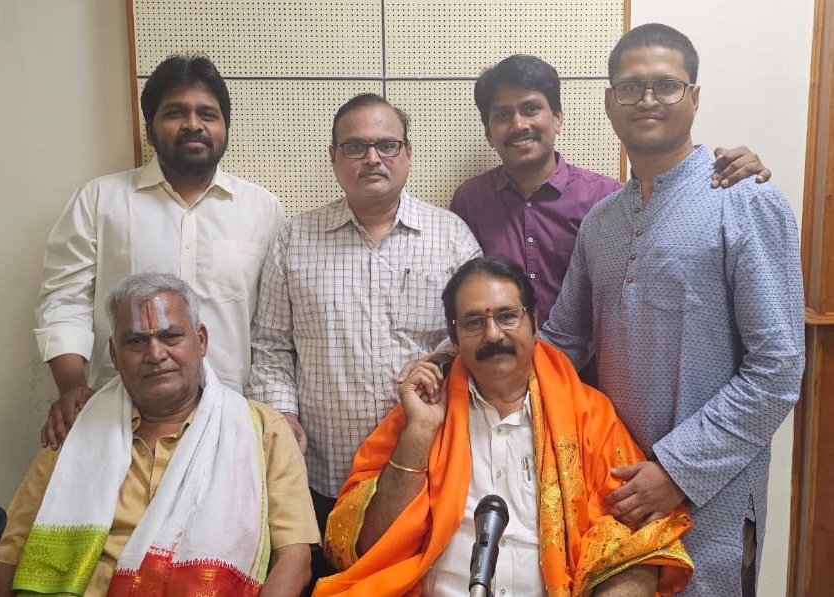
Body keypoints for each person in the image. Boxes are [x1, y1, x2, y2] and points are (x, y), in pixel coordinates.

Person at [541, 24, 804, 596]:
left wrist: (677, 470)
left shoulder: (746, 199)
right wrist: (459, 360)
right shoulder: (602, 221)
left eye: (665, 84)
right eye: (630, 87)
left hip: (711, 494)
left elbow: (778, 369)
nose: (647, 99)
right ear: (610, 103)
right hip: (618, 487)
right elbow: (561, 341)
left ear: (695, 96)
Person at [315, 257, 694, 596]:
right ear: (454, 336)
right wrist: (418, 435)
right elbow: (364, 547)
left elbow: (643, 544)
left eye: (507, 316)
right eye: (474, 322)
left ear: (533, 319)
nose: (493, 334)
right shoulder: (422, 412)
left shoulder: (589, 417)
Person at [249, 93, 481, 573]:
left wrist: (436, 365)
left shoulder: (452, 236)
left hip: (426, 466)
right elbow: (270, 345)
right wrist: (282, 415)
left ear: (408, 153)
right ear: (334, 158)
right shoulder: (294, 239)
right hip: (323, 473)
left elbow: (476, 338)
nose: (372, 158)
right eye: (354, 147)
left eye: (387, 145)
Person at [0, 273, 319, 596]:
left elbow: (295, 558)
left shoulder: (261, 430)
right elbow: (11, 550)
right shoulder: (76, 428)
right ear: (114, 355)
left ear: (201, 341)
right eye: (136, 341)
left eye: (171, 336)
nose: (155, 354)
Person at [37, 54, 283, 449]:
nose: (193, 124)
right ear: (150, 130)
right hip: (119, 415)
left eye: (208, 113)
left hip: (231, 417)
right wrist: (71, 388)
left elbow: (274, 326)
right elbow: (64, 299)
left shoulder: (263, 210)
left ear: (225, 128)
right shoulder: (101, 200)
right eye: (175, 113)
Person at [451, 53, 771, 322]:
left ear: (558, 118)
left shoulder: (606, 198)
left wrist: (734, 173)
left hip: (595, 381)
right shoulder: (470, 201)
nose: (520, 124)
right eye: (504, 115)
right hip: (502, 375)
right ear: (490, 134)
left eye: (531, 109)